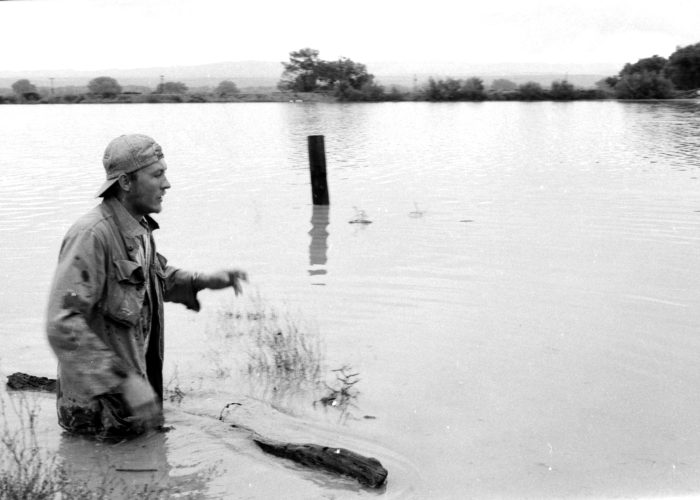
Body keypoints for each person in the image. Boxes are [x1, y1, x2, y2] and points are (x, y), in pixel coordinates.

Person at [46, 133, 247, 439]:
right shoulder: (92, 236)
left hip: (129, 409)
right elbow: (62, 325)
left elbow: (152, 279)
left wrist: (201, 281)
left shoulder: (139, 229)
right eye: (157, 174)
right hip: (97, 417)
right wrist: (124, 381)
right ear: (126, 183)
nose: (167, 184)